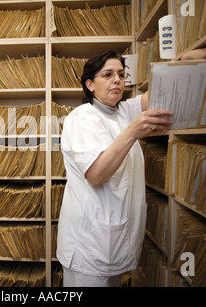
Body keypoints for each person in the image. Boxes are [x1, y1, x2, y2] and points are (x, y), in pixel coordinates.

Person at [56, 50, 173, 287]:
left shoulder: (121, 112)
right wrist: (132, 132)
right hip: (89, 245)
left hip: (111, 242)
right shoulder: (82, 118)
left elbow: (156, 95)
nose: (117, 80)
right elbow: (96, 174)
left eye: (121, 74)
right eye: (107, 75)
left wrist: (186, 59)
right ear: (90, 84)